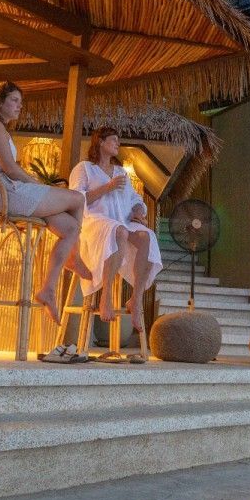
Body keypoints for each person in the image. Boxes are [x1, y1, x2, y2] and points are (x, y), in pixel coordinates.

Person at [0, 82, 91, 324]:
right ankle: (73, 257)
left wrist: (37, 183)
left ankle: (47, 288)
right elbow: (10, 169)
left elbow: (12, 170)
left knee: (69, 228)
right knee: (78, 198)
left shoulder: (0, 129)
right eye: (14, 100)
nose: (20, 106)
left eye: (20, 101)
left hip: (12, 191)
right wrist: (39, 185)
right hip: (4, 195)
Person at [68, 127, 162, 352]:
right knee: (118, 231)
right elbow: (75, 199)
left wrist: (139, 210)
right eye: (113, 140)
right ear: (100, 142)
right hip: (94, 222)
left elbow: (134, 199)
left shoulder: (121, 172)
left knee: (146, 236)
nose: (117, 144)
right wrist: (107, 188)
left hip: (120, 221)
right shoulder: (85, 169)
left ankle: (136, 299)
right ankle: (106, 296)